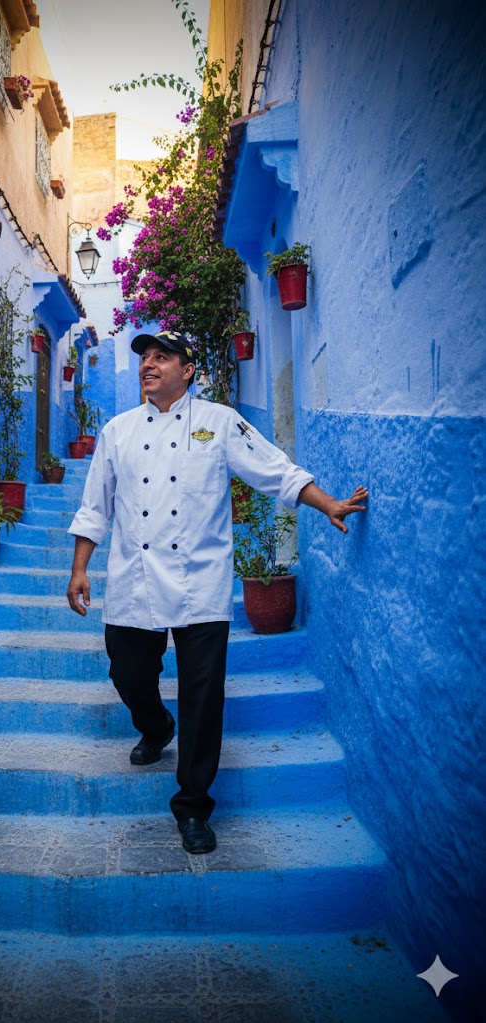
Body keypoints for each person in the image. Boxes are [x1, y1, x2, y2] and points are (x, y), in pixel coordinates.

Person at [66, 331, 368, 855]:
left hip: (198, 583)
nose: (149, 365)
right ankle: (156, 725)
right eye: (144, 358)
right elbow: (96, 507)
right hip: (134, 578)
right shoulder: (117, 431)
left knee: (203, 698)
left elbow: (277, 472)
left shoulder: (219, 423)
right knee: (127, 669)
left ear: (189, 370)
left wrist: (329, 504)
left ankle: (193, 805)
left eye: (162, 357)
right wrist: (79, 569)